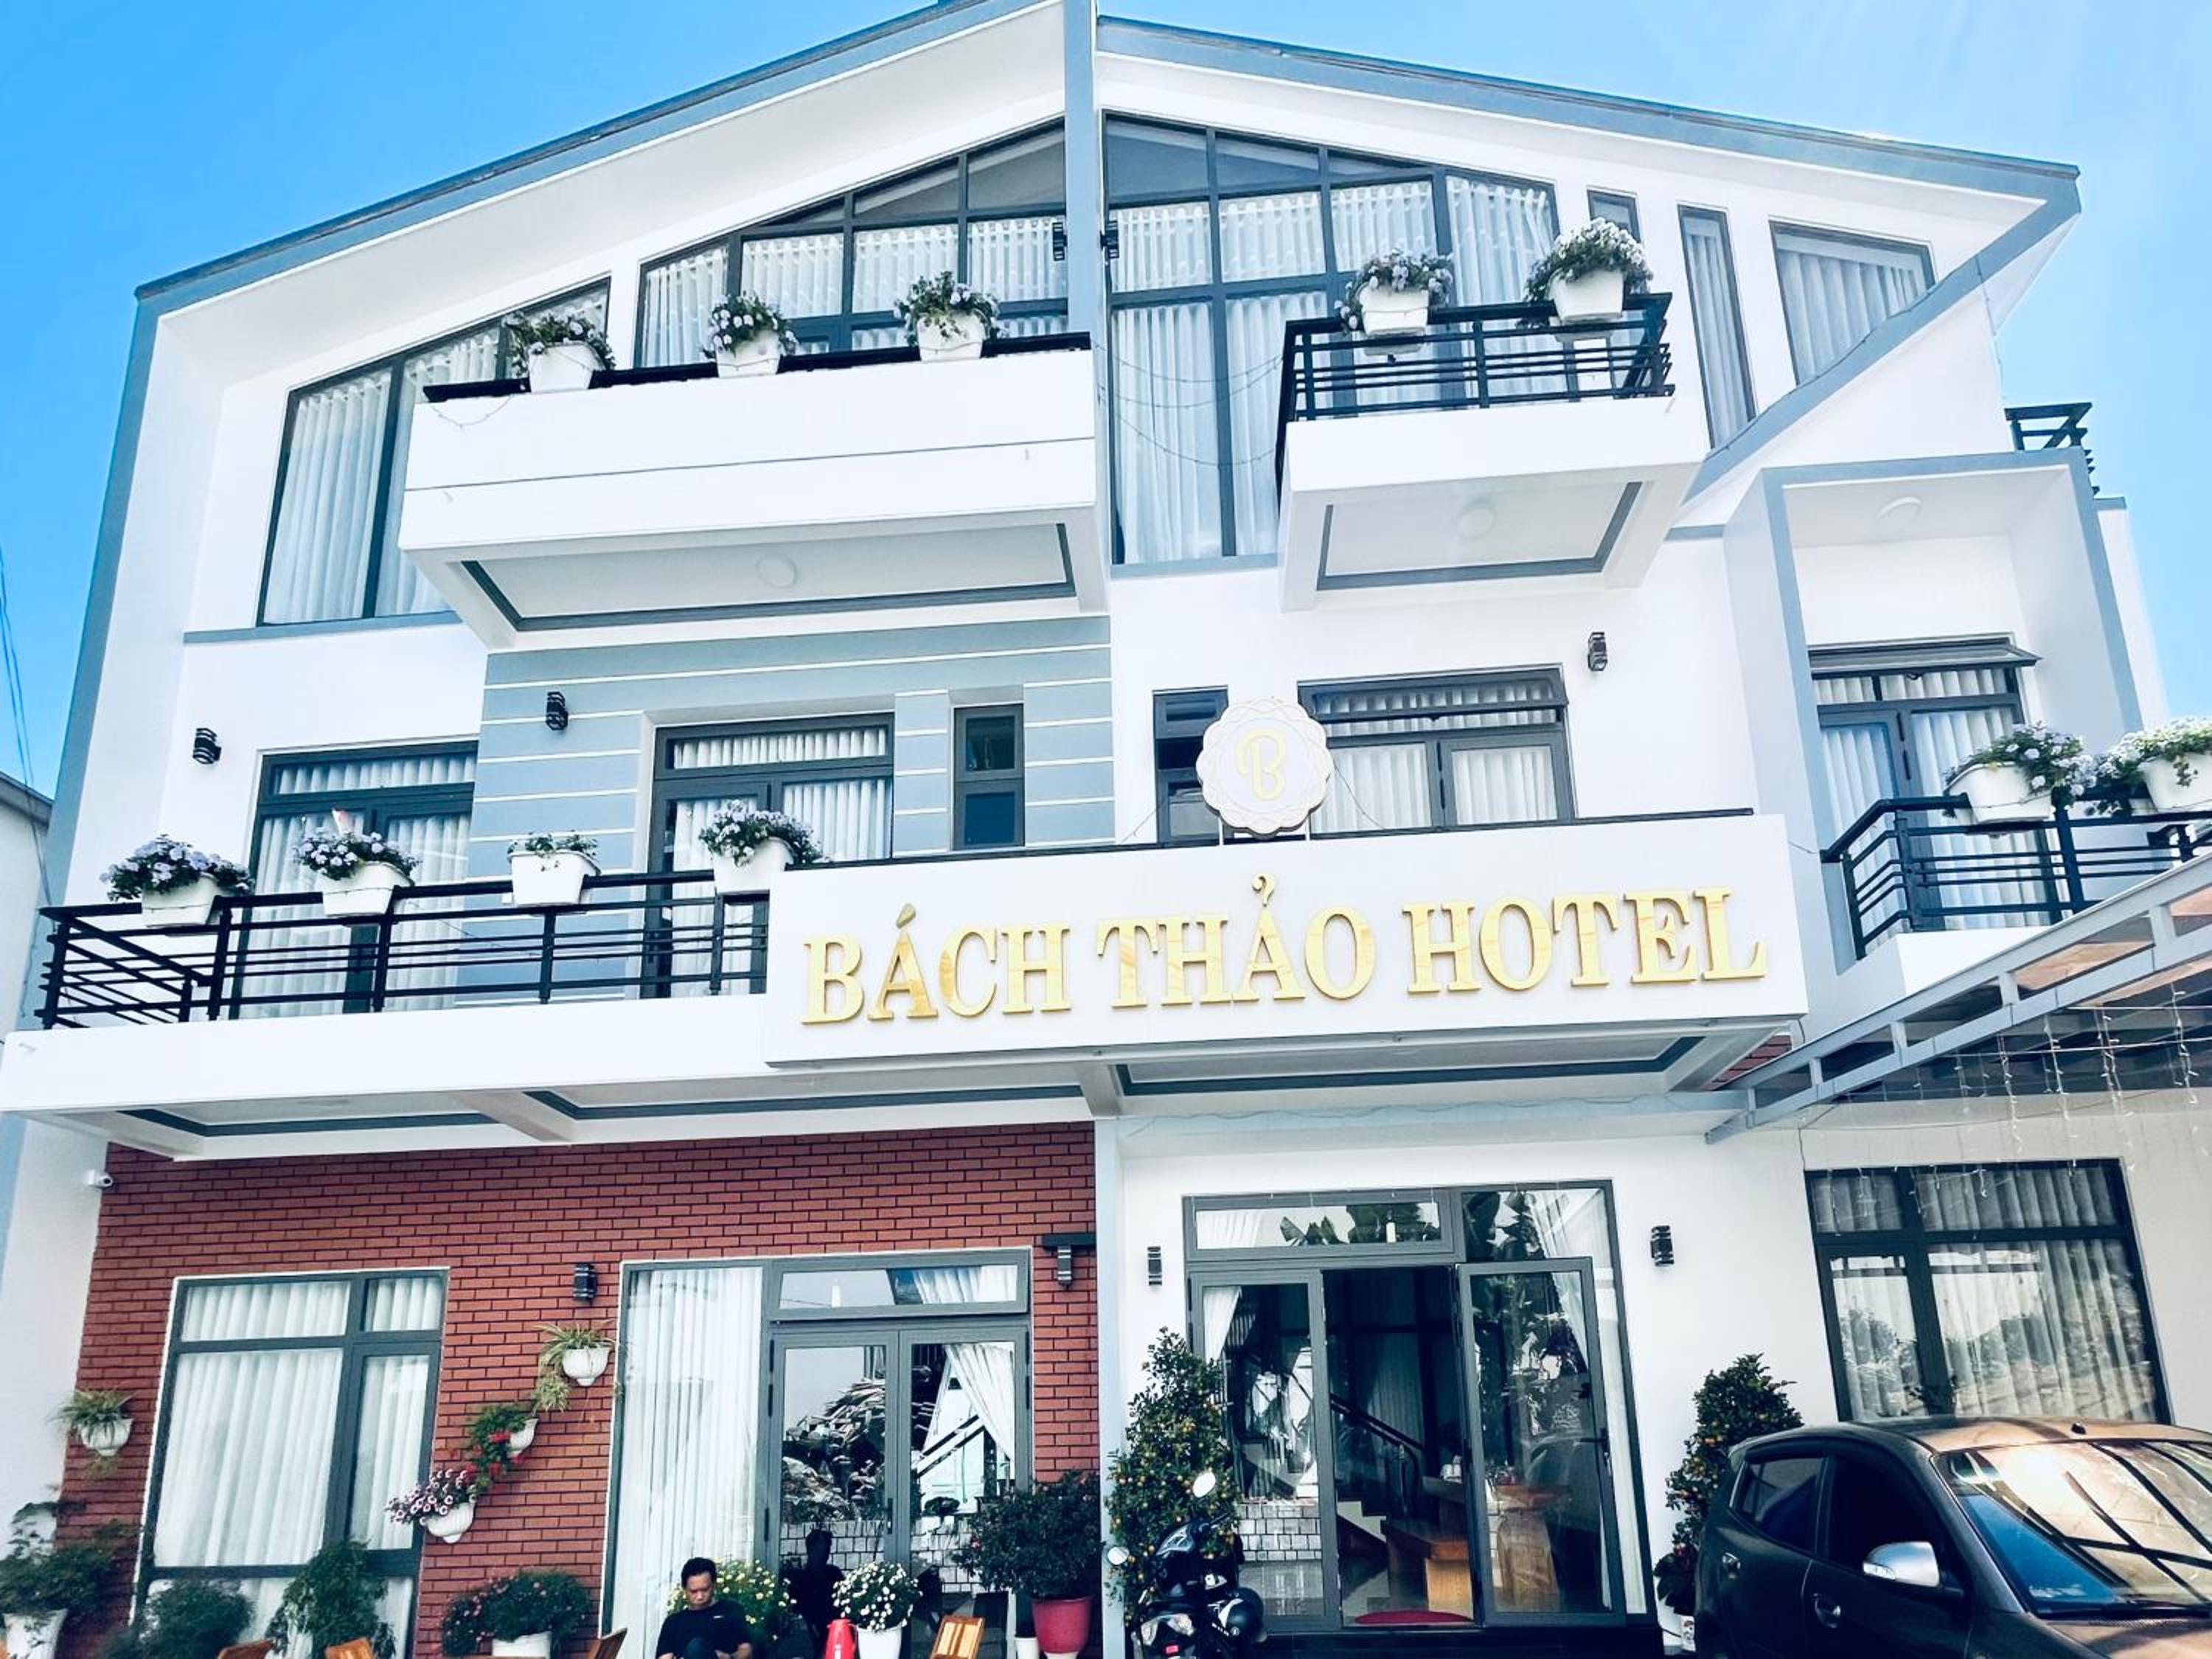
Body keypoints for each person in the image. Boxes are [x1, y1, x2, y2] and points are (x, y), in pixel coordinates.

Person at [656, 1557, 754, 1659]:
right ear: (684, 1589)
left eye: (705, 1590)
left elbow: (746, 1650)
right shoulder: (674, 1622)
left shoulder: (730, 1610)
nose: (700, 1596)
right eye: (694, 1592)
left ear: (714, 1585)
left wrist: (728, 1657)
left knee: (697, 1647)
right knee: (696, 1648)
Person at [781, 1529, 844, 1651]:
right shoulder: (798, 1579)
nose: (826, 1553)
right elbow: (796, 1613)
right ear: (811, 1549)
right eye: (822, 1548)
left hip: (834, 1633)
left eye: (828, 1549)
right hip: (807, 1638)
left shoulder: (834, 1574)